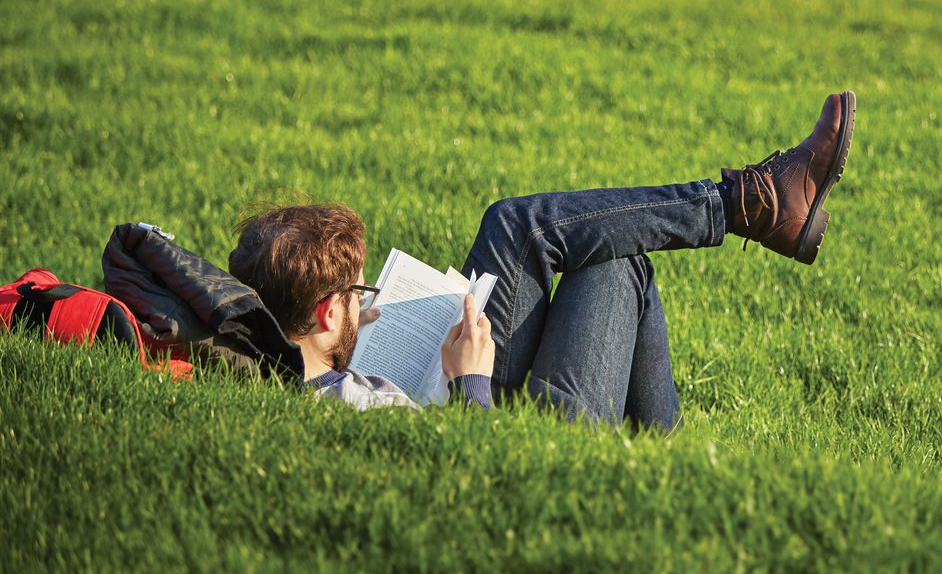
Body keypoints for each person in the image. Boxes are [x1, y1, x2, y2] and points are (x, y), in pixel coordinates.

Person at [227, 91, 856, 428]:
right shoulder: (342, 412)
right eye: (359, 299)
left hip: (452, 388)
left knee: (601, 254)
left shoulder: (278, 381)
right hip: (511, 423)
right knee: (559, 240)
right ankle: (748, 204)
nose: (369, 307)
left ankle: (752, 204)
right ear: (325, 312)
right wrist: (471, 379)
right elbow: (471, 480)